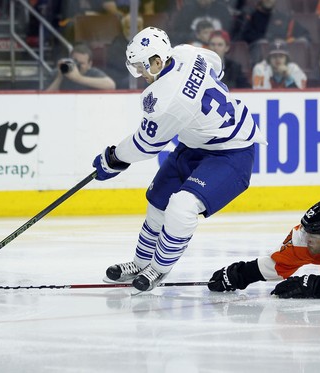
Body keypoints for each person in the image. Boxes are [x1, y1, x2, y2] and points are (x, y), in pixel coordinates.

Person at [92, 27, 266, 293]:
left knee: (181, 207)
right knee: (158, 203)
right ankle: (140, 262)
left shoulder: (163, 98)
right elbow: (216, 67)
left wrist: (112, 158)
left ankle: (158, 268)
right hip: (196, 144)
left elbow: (145, 145)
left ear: (158, 61)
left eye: (142, 67)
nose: (140, 74)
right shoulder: (185, 52)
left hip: (233, 153)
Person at [46, 42, 116, 91]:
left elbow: (111, 85)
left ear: (89, 64)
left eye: (81, 63)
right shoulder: (59, 72)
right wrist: (59, 77)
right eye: (75, 62)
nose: (77, 66)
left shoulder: (93, 72)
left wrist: (78, 78)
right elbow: (45, 97)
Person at [105, 13, 145, 89]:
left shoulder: (149, 42)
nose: (136, 30)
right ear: (124, 28)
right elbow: (121, 65)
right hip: (123, 78)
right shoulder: (117, 44)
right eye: (130, 27)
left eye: (138, 27)